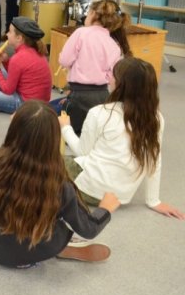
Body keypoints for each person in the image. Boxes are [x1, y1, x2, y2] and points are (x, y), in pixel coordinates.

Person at [0, 101, 120, 268]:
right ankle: (62, 246)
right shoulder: (59, 187)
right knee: (58, 218)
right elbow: (88, 228)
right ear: (53, 140)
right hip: (38, 251)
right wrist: (105, 209)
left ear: (14, 129)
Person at [60, 57, 184, 219]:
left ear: (122, 85)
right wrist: (154, 201)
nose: (108, 76)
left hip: (88, 190)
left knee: (44, 160)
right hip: (119, 197)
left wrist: (66, 128)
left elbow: (82, 152)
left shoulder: (99, 112)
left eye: (113, 74)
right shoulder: (157, 119)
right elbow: (154, 160)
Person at [52, 0, 129, 134]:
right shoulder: (114, 45)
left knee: (66, 128)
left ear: (93, 14)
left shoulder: (81, 33)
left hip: (78, 96)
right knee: (90, 132)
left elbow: (64, 61)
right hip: (102, 96)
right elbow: (112, 77)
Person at [0, 17, 52, 113]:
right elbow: (18, 73)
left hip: (26, 105)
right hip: (39, 103)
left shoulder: (18, 58)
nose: (7, 34)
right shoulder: (33, 50)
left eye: (10, 32)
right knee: (0, 75)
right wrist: (6, 61)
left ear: (19, 38)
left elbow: (8, 89)